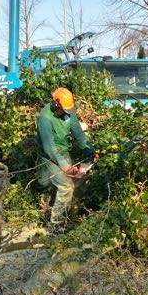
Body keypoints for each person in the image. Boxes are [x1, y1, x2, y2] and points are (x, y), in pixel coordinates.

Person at [36, 87, 95, 231]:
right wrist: (66, 167)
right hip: (49, 155)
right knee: (65, 186)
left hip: (63, 150)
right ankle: (56, 224)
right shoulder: (45, 118)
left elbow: (79, 135)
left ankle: (71, 215)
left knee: (77, 181)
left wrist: (91, 151)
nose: (67, 114)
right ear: (56, 104)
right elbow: (50, 148)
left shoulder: (68, 111)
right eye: (64, 111)